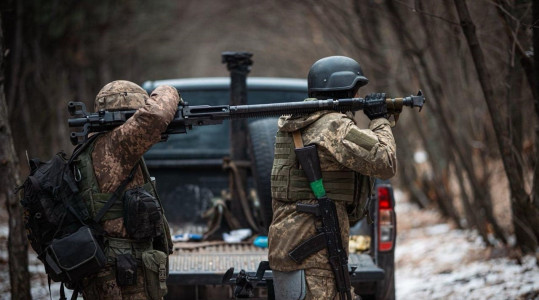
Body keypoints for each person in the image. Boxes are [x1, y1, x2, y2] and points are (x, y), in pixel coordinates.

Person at [268, 56, 397, 299]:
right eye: (355, 92)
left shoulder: (295, 123)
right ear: (344, 90)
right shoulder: (331, 126)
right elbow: (385, 161)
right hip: (315, 254)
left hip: (289, 247)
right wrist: (380, 119)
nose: (357, 99)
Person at [76, 80, 180, 299]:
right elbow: (157, 116)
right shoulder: (118, 143)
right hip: (125, 269)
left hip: (110, 264)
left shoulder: (93, 143)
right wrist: (168, 90)